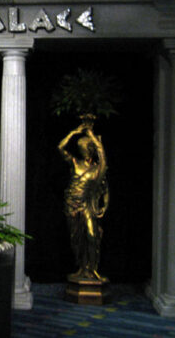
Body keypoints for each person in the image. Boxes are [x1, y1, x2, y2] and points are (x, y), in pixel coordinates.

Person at [58, 118, 109, 281]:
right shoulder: (75, 163)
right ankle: (82, 268)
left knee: (92, 235)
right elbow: (61, 147)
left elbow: (103, 157)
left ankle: (92, 269)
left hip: (87, 205)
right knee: (76, 239)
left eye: (87, 148)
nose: (84, 150)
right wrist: (73, 133)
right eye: (82, 148)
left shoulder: (97, 169)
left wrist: (92, 136)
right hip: (71, 205)